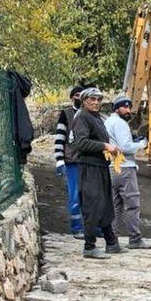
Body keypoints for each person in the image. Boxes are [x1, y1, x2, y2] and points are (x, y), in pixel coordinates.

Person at [70, 87, 121, 259]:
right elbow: (81, 143)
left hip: (100, 166)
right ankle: (89, 246)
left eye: (99, 100)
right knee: (93, 206)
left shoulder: (96, 118)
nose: (96, 102)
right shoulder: (82, 117)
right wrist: (105, 146)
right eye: (92, 99)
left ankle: (111, 243)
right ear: (84, 101)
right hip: (89, 167)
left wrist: (110, 151)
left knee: (106, 205)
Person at [104, 95, 151, 249]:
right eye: (124, 107)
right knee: (132, 204)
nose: (128, 110)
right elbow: (125, 147)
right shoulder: (120, 124)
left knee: (115, 206)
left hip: (111, 167)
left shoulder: (107, 122)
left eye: (129, 107)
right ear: (116, 108)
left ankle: (113, 240)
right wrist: (141, 144)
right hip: (124, 168)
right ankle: (135, 239)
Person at [55, 85, 84, 238]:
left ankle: (92, 227)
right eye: (77, 95)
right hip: (72, 161)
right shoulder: (66, 114)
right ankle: (77, 228)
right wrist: (59, 159)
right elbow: (60, 137)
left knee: (90, 196)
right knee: (74, 196)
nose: (79, 98)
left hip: (87, 161)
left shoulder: (89, 114)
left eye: (82, 95)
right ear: (72, 97)